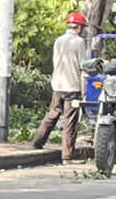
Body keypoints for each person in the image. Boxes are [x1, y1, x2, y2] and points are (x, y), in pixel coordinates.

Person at [32, 11, 89, 163]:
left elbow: (55, 61)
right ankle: (67, 156)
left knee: (52, 114)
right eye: (82, 28)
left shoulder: (58, 40)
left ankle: (37, 141)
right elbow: (83, 67)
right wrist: (84, 91)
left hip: (58, 84)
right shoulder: (79, 42)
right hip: (72, 86)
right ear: (78, 28)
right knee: (70, 121)